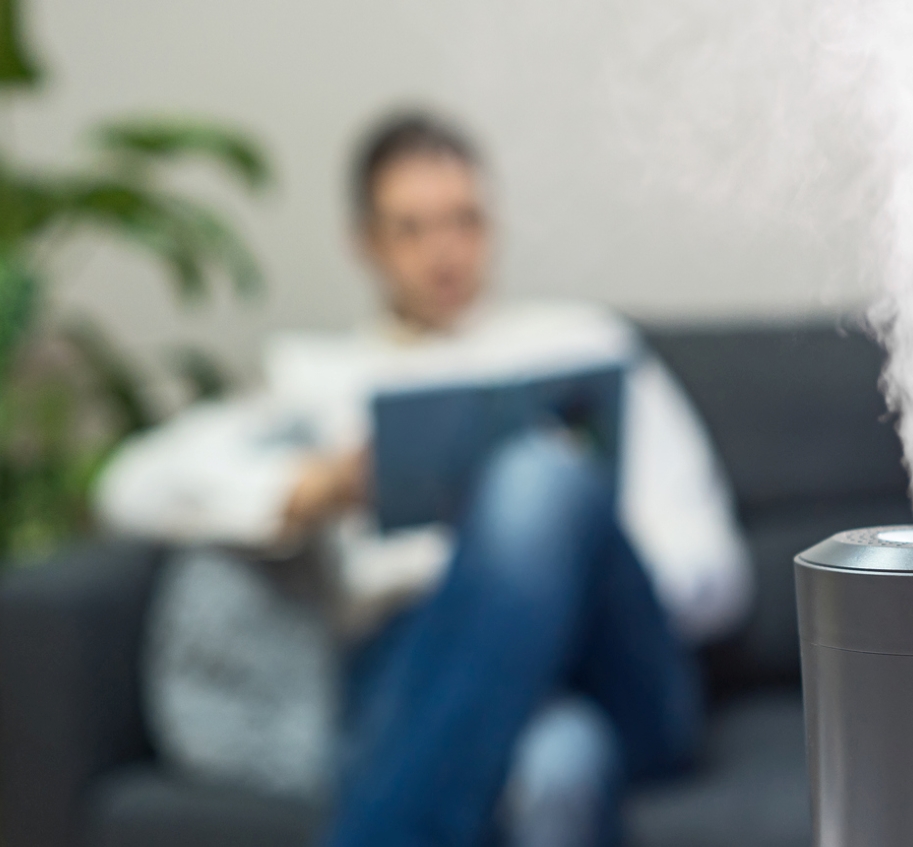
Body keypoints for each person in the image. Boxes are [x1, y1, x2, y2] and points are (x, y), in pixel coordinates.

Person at [96, 111, 754, 847]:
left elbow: (716, 573)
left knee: (539, 479)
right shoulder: (323, 382)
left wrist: (549, 581)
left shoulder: (585, 343)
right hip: (416, 670)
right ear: (367, 245)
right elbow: (128, 483)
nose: (445, 251)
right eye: (412, 228)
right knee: (555, 765)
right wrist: (307, 489)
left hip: (614, 662)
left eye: (464, 221)